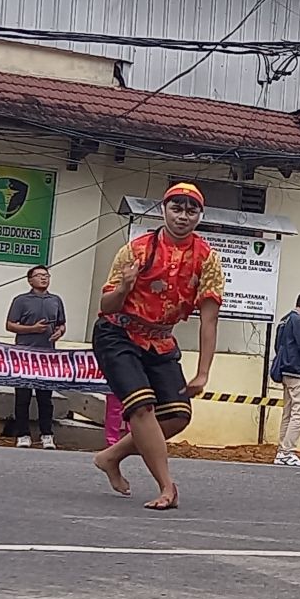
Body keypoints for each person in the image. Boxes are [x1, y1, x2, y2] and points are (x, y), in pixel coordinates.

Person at [91, 183, 224, 510]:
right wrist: (124, 286)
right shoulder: (136, 250)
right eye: (176, 208)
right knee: (141, 406)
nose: (183, 216)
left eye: (191, 210)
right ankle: (167, 487)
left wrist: (204, 372)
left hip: (161, 340)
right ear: (164, 210)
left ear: (199, 216)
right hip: (117, 333)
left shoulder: (207, 258)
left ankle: (111, 456)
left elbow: (209, 319)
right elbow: (106, 305)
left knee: (178, 415)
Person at [5, 265, 67, 449]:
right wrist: (32, 329)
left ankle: (47, 434)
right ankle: (23, 434)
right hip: (23, 356)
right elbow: (10, 325)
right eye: (39, 276)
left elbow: (62, 324)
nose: (43, 278)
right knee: (22, 396)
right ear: (30, 280)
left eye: (46, 275)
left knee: (45, 398)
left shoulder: (56, 300)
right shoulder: (21, 300)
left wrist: (60, 332)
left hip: (47, 357)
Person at [269, 293, 300, 467]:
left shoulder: (284, 320)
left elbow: (277, 346)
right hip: (297, 370)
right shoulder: (298, 321)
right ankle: (287, 451)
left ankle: (281, 451)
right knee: (298, 414)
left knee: (288, 413)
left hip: (284, 369)